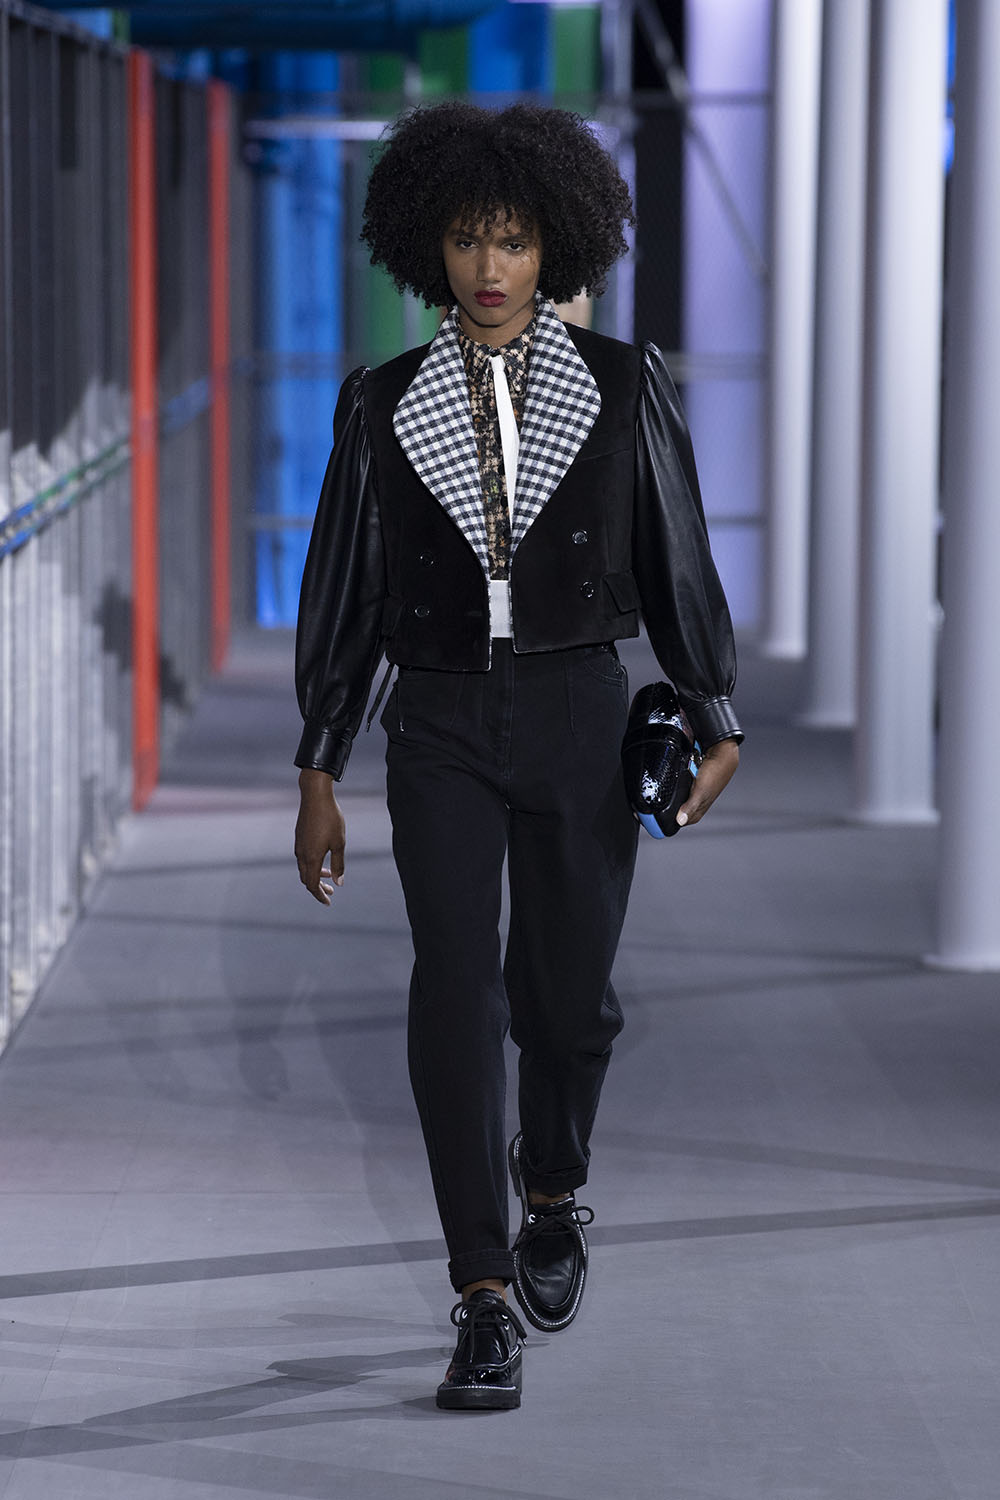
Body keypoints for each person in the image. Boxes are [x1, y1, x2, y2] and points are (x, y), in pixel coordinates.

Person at [293, 101, 742, 1411]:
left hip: (578, 710)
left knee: (568, 998)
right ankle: (482, 1291)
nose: (489, 267)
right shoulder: (381, 405)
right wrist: (319, 766)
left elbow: (674, 548)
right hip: (436, 719)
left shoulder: (622, 384)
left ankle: (551, 1186)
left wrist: (713, 707)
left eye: (514, 240)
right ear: (428, 249)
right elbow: (347, 589)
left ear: (556, 248)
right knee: (454, 990)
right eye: (466, 239)